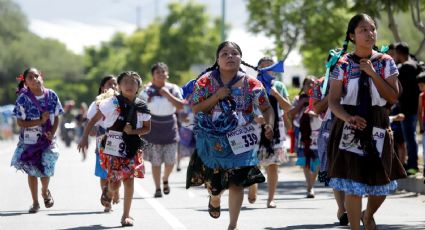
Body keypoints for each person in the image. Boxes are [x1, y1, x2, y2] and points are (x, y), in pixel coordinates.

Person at [327, 13, 406, 230]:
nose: (370, 33)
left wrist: (372, 73)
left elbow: (392, 96)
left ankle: (368, 214)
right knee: (353, 183)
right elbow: (333, 102)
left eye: (372, 29)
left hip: (378, 122)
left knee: (382, 182)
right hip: (350, 124)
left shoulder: (385, 61)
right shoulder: (341, 64)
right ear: (352, 36)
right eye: (363, 30)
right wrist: (348, 118)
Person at [187, 41, 274, 230]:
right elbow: (195, 107)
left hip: (242, 139)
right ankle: (215, 197)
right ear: (217, 60)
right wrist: (216, 96)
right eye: (224, 54)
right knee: (215, 184)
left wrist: (269, 124)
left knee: (237, 183)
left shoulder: (252, 83)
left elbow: (267, 108)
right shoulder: (206, 81)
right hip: (213, 140)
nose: (230, 57)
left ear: (241, 58)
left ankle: (233, 225)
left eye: (234, 53)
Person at [78, 71, 151, 226]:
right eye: (125, 82)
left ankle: (126, 215)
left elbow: (146, 128)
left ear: (138, 87)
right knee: (115, 184)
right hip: (112, 148)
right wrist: (84, 138)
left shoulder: (142, 106)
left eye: (133, 82)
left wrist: (133, 131)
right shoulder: (111, 103)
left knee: (129, 181)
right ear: (119, 86)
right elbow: (92, 121)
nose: (129, 85)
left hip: (132, 147)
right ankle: (110, 191)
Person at [11, 67, 64, 213]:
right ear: (26, 82)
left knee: (46, 170)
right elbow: (20, 123)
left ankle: (45, 191)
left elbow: (57, 116)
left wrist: (52, 133)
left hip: (47, 141)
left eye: (36, 76)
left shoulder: (51, 95)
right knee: (32, 171)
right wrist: (39, 121)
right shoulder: (23, 98)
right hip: (29, 141)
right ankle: (35, 203)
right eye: (30, 77)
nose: (34, 79)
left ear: (41, 77)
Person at [247, 57, 292, 208]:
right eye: (263, 67)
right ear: (258, 69)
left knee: (273, 166)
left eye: (270, 67)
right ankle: (253, 185)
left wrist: (276, 95)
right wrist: (255, 117)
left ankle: (270, 198)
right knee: (254, 163)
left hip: (276, 131)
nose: (267, 70)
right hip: (255, 130)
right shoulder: (252, 86)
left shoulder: (279, 86)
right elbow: (244, 109)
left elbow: (287, 107)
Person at [311, 48, 348, 226]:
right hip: (330, 129)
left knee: (351, 169)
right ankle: (342, 209)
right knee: (335, 171)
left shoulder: (357, 78)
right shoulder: (320, 84)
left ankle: (352, 206)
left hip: (354, 125)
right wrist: (332, 95)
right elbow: (316, 109)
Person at [139, 62, 184, 198]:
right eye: (157, 72)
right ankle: (158, 188)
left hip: (169, 126)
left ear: (167, 74)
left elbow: (181, 106)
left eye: (163, 71)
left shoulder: (173, 88)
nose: (161, 74)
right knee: (156, 161)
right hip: (153, 128)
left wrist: (167, 95)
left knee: (171, 161)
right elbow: (140, 109)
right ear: (153, 76)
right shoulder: (147, 91)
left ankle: (165, 178)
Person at [78, 75, 118, 212]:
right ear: (102, 87)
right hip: (102, 141)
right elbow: (91, 122)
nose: (113, 86)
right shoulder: (97, 104)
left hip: (119, 141)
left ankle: (113, 192)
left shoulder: (122, 101)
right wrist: (85, 137)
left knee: (117, 171)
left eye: (115, 84)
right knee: (103, 173)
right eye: (109, 84)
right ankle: (107, 199)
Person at [288, 76, 321, 198]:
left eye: (313, 84)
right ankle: (310, 187)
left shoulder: (320, 98)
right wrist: (302, 103)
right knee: (305, 158)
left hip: (317, 132)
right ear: (303, 86)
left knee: (317, 159)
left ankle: (311, 184)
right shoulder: (298, 99)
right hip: (302, 133)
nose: (311, 86)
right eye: (308, 84)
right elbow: (291, 114)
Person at [394, 42, 421, 175]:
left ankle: (412, 165)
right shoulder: (415, 65)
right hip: (416, 107)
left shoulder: (405, 68)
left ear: (399, 53)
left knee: (409, 138)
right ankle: (412, 164)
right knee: (412, 137)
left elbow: (400, 90)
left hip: (406, 110)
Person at [176, 80, 197, 172]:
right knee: (182, 148)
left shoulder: (200, 102)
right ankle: (178, 164)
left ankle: (191, 166)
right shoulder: (186, 103)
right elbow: (181, 115)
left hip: (196, 128)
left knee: (194, 150)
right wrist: (183, 119)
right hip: (186, 128)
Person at [417, 71, 425, 178]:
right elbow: (419, 112)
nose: (420, 87)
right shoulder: (421, 96)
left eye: (422, 84)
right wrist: (421, 126)